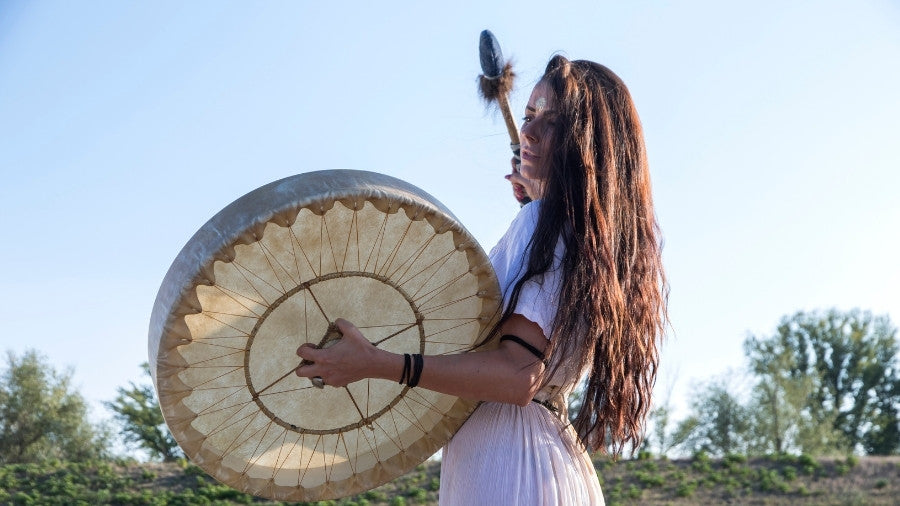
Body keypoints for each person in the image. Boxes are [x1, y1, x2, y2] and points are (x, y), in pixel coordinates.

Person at [295, 54, 668, 505]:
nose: (529, 132)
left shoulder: (546, 226)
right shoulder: (578, 235)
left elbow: (517, 375)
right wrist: (540, 198)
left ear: (588, 144)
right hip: (539, 457)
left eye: (552, 121)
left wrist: (377, 362)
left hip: (510, 464)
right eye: (528, 116)